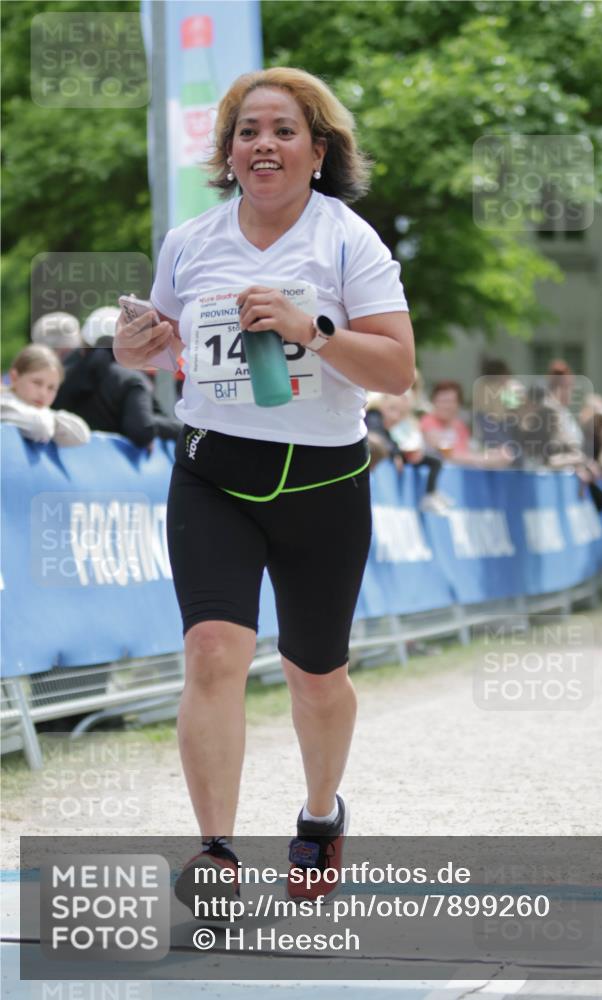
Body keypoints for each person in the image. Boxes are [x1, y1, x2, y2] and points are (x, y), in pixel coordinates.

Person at [113, 67, 414, 906]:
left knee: (314, 673)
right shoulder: (191, 240)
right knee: (213, 652)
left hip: (324, 483)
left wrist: (311, 330)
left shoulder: (348, 240)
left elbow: (397, 369)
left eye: (283, 130)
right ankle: (215, 853)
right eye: (248, 131)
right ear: (229, 152)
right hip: (214, 472)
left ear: (318, 150)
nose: (263, 146)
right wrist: (135, 343)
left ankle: (321, 815)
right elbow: (155, 349)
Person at [55, 307, 181, 447]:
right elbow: (141, 430)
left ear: (84, 345)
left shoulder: (59, 376)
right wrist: (180, 428)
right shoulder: (131, 380)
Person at [0, 344, 90, 446]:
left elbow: (82, 435)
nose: (43, 393)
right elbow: (41, 427)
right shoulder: (4, 404)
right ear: (14, 378)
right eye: (37, 383)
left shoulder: (43, 415)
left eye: (51, 388)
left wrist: (52, 419)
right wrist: (54, 422)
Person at [420, 380, 470, 458]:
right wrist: (484, 459)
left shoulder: (460, 426)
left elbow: (464, 451)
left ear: (458, 404)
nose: (446, 406)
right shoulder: (427, 421)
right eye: (443, 401)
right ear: (434, 401)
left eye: (451, 401)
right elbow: (447, 453)